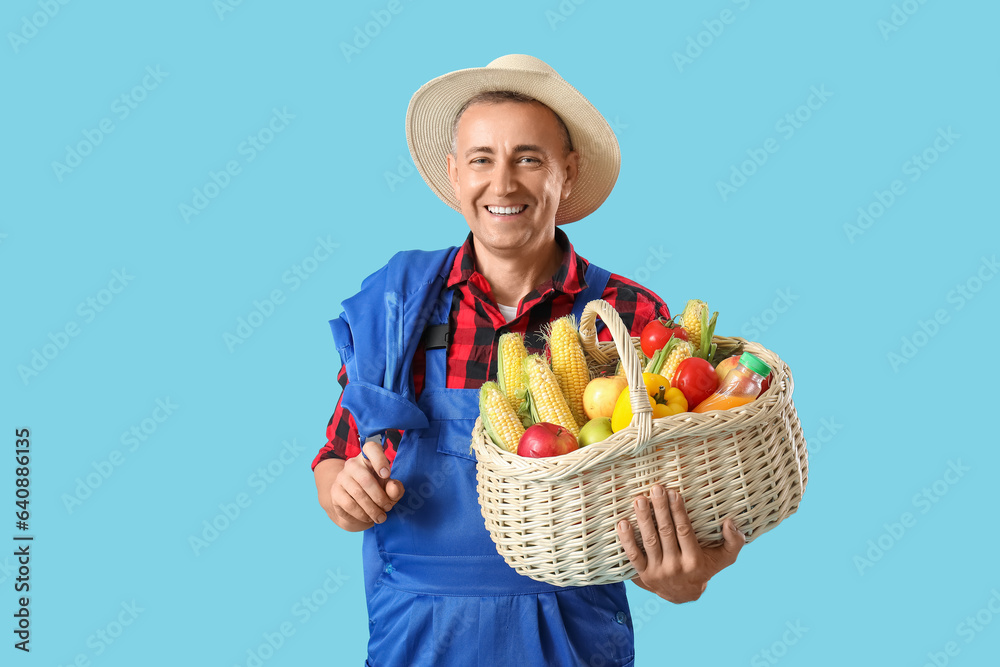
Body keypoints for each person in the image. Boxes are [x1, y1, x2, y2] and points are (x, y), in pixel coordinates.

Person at [312, 54, 745, 666]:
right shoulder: (398, 304)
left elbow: (665, 504)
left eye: (529, 159)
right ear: (455, 173)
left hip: (569, 639)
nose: (503, 183)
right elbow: (336, 458)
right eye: (482, 159)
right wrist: (344, 494)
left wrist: (681, 579)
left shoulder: (627, 315)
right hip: (417, 637)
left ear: (567, 174)